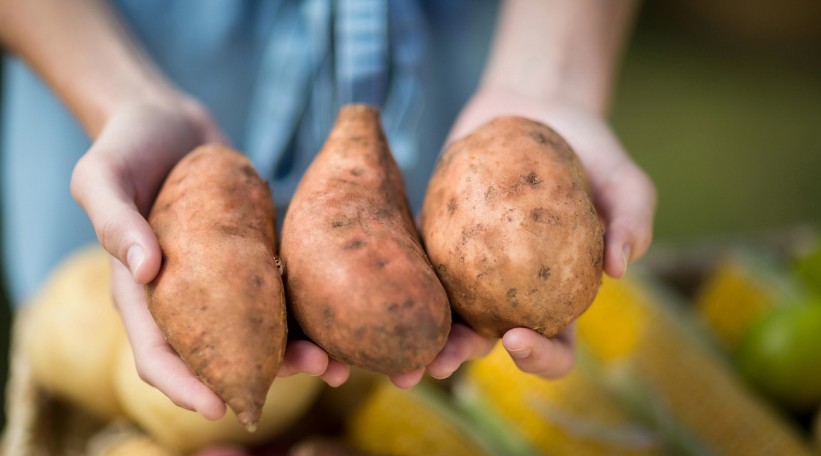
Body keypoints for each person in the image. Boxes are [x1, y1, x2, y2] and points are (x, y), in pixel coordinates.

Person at [0, 0, 655, 420]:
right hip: (132, 47)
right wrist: (119, 99)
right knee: (91, 362)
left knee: (443, 376)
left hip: (487, 60)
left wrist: (550, 80)